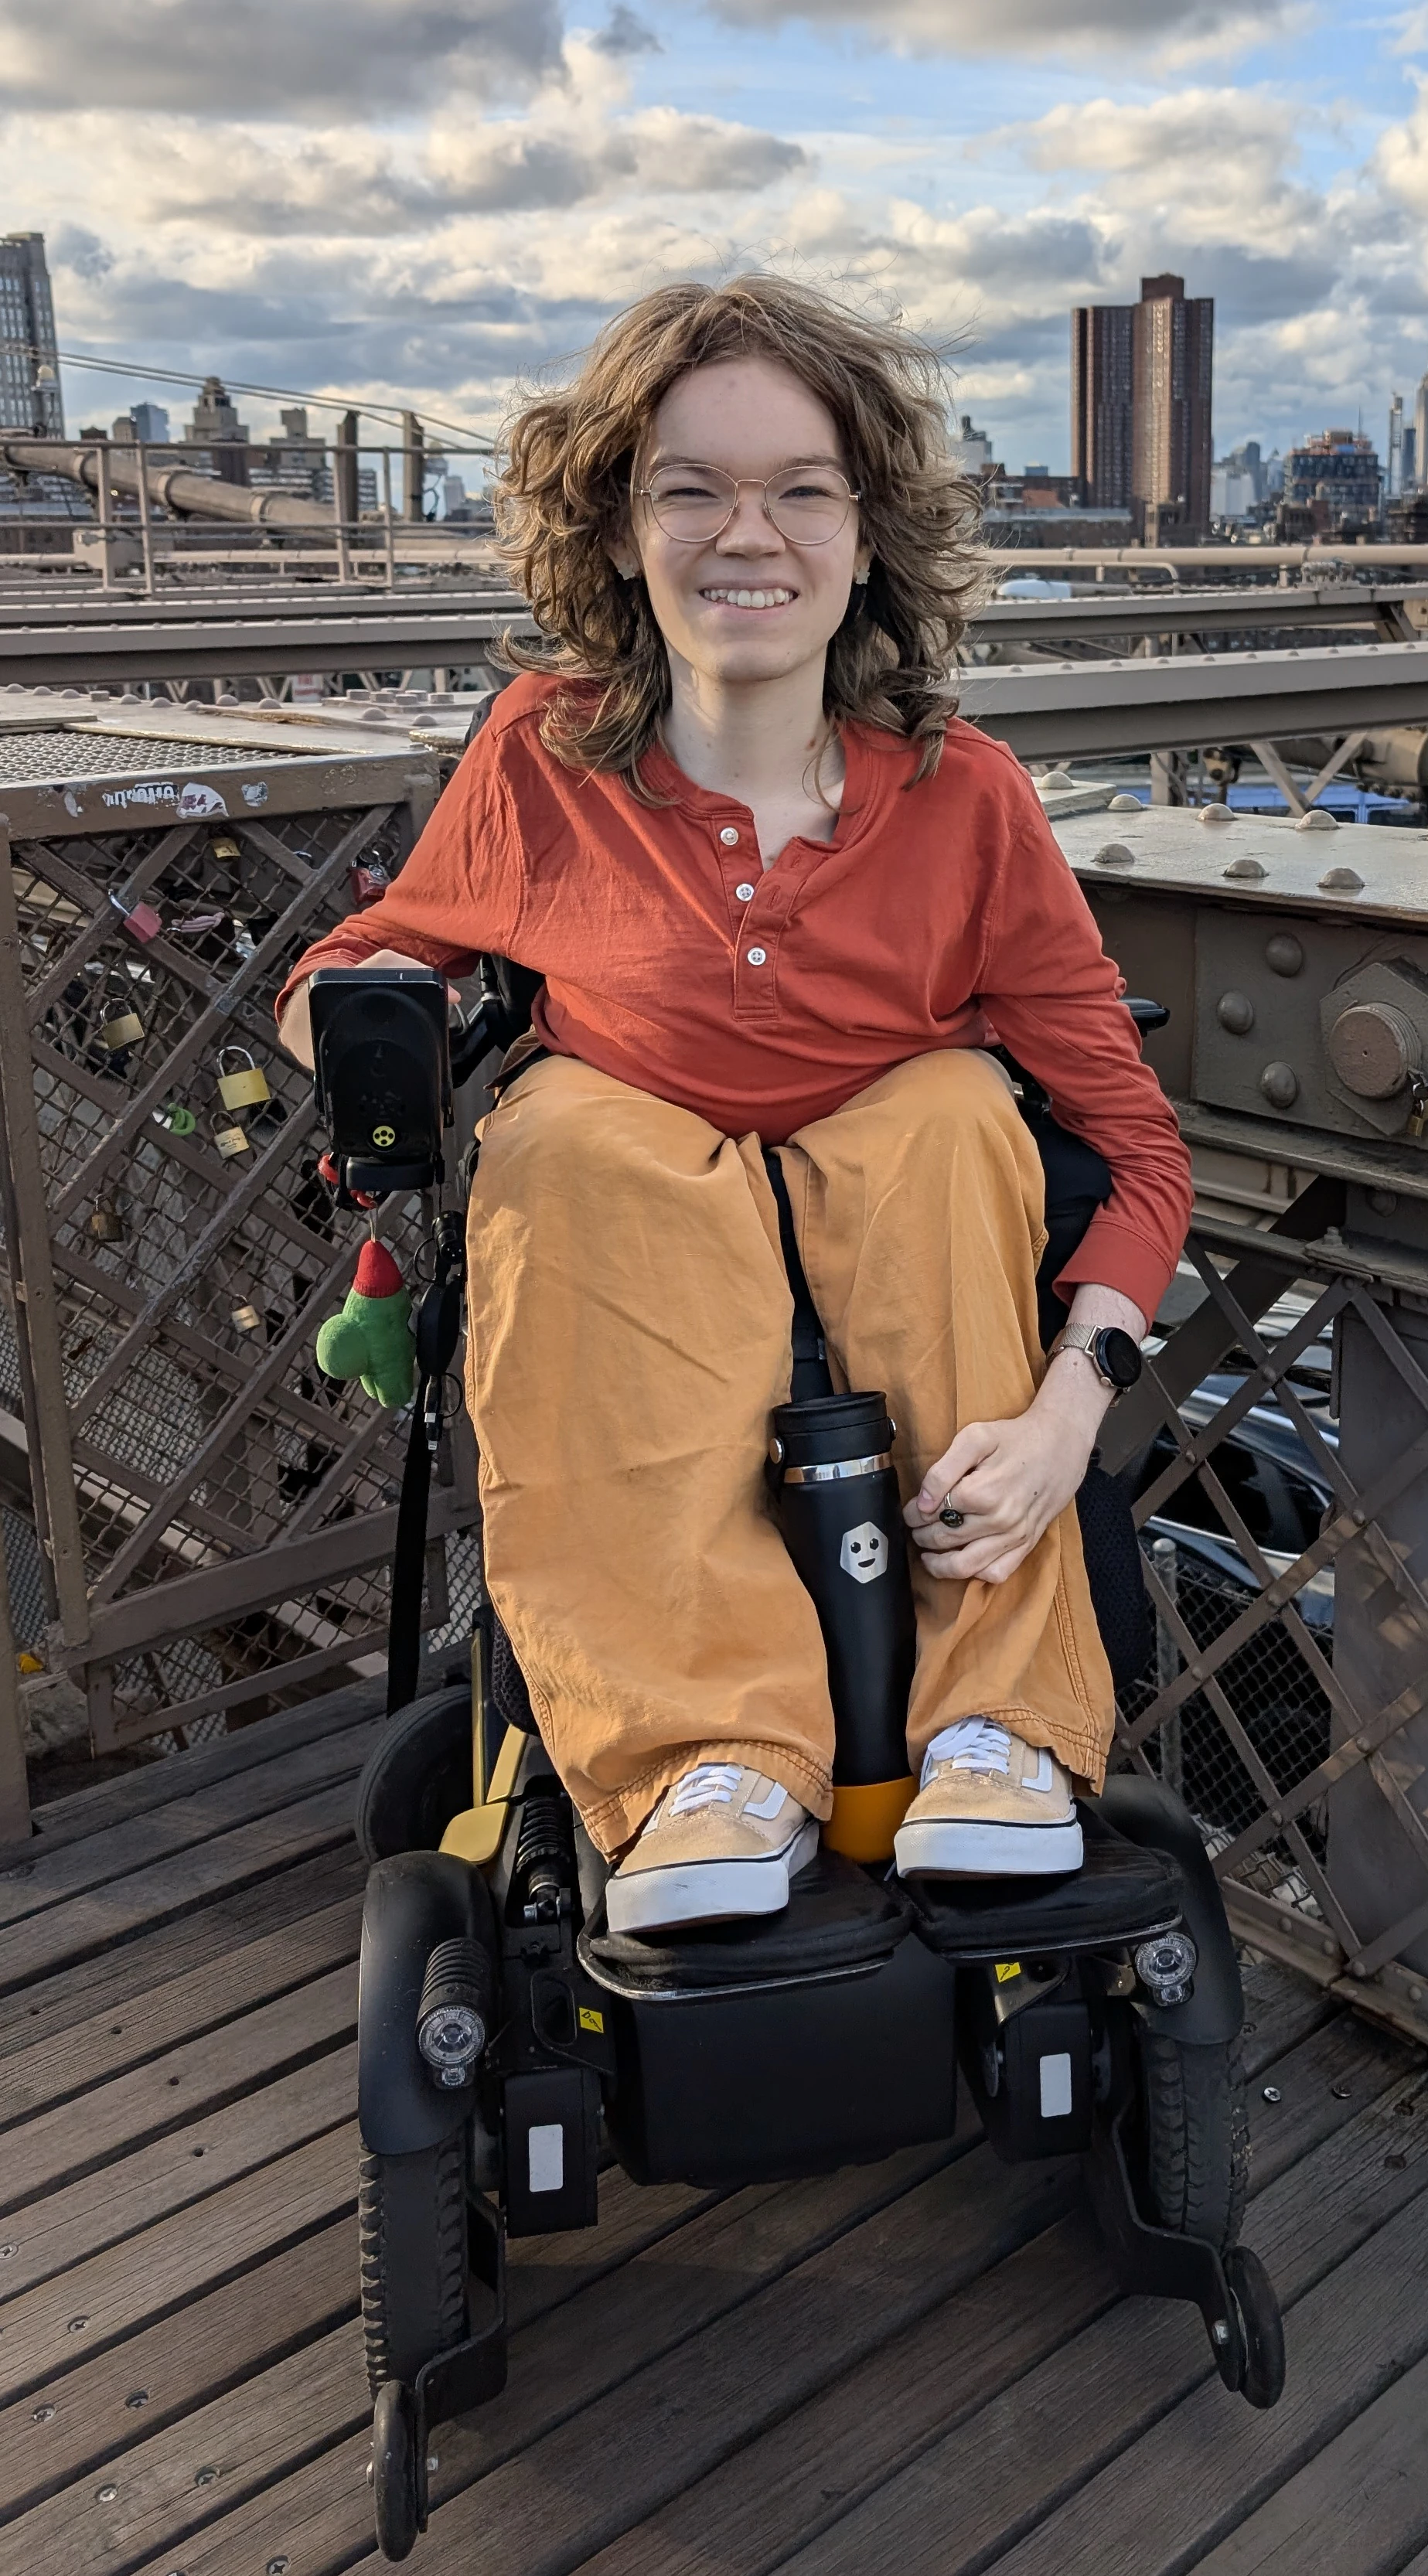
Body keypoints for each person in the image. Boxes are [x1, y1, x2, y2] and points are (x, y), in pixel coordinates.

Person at [278, 275, 1191, 1934]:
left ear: (862, 536)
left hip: (905, 1257)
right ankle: (704, 1750)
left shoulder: (963, 800)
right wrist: (360, 1041)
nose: (744, 534)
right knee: (564, 1135)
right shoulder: (541, 759)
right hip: (638, 1254)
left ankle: (997, 1718)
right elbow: (373, 949)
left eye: (799, 489)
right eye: (690, 487)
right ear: (623, 534)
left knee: (946, 1116)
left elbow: (1131, 1145)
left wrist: (1071, 1413)